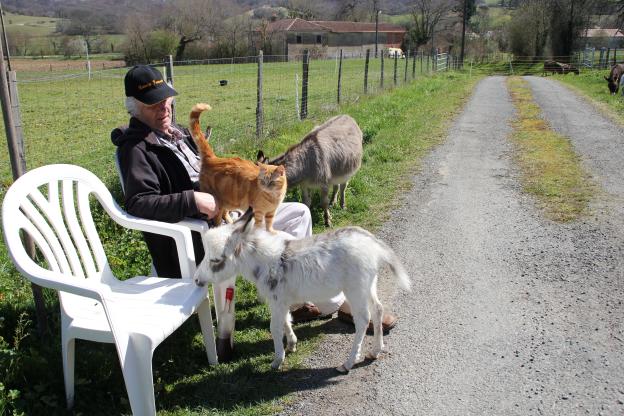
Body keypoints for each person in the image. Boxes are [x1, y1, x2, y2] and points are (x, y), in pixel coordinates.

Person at [112, 65, 395, 360]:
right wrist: (193, 200)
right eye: (153, 104)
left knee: (299, 213)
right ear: (134, 107)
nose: (163, 108)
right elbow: (139, 203)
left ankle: (297, 302)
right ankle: (336, 302)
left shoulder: (177, 134)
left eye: (166, 100)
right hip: (208, 230)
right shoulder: (136, 150)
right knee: (283, 241)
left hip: (234, 212)